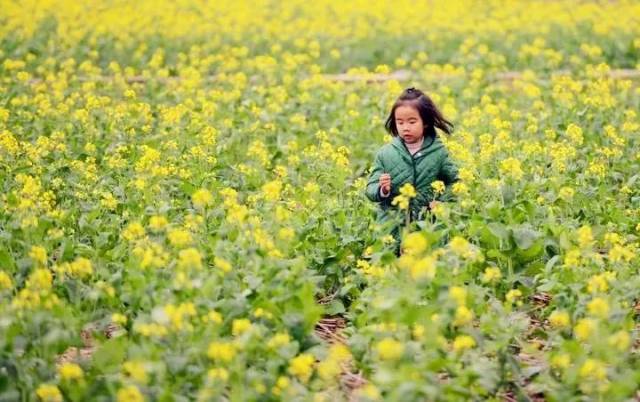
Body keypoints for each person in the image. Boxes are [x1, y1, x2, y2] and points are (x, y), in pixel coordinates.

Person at [365, 87, 459, 256]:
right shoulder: (386, 153)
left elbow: (456, 182)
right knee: (392, 269)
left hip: (426, 225)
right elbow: (370, 187)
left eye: (412, 122)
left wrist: (442, 201)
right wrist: (382, 189)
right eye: (400, 122)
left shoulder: (438, 153)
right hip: (393, 226)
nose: (405, 127)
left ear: (426, 122)